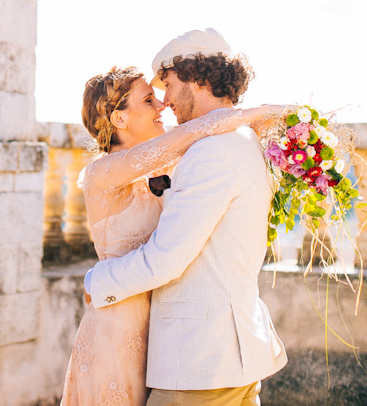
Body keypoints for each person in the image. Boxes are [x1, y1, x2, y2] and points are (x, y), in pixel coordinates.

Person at [60, 29, 287, 406]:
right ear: (118, 118)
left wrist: (96, 280)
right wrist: (250, 115)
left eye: (164, 87)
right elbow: (189, 135)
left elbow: (167, 256)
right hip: (128, 327)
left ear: (196, 79)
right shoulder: (109, 172)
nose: (163, 103)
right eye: (149, 98)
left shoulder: (206, 153)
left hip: (187, 348)